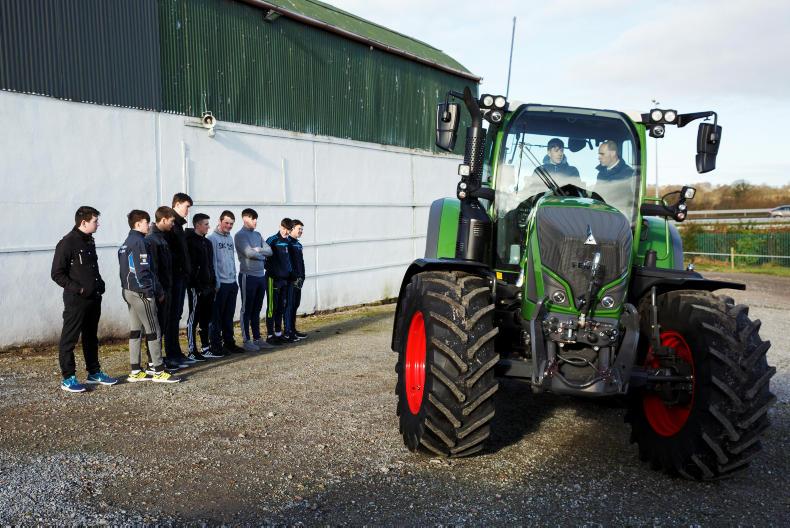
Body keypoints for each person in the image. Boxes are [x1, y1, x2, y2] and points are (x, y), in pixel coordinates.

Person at [51, 206, 117, 392]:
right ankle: (68, 377)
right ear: (83, 222)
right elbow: (57, 273)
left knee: (91, 337)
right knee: (69, 339)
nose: (98, 224)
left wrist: (100, 284)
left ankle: (94, 372)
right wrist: (78, 289)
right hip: (76, 300)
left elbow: (91, 269)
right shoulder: (67, 243)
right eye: (95, 221)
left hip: (93, 299)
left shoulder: (89, 241)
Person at [118, 210, 180, 383]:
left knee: (135, 331)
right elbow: (144, 270)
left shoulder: (126, 243)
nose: (149, 225)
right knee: (154, 330)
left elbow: (124, 271)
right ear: (138, 224)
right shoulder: (140, 242)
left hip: (128, 291)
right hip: (141, 293)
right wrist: (149, 291)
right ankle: (158, 370)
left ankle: (135, 370)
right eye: (147, 222)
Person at [145, 206, 189, 370]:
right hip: (160, 291)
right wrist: (160, 291)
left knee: (162, 325)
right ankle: (153, 362)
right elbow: (153, 269)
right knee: (156, 327)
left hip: (167, 288)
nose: (173, 224)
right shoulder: (152, 239)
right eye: (171, 221)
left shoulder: (162, 237)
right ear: (163, 219)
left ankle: (158, 360)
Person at [235, 208, 273, 352]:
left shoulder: (257, 235)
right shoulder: (240, 236)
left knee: (257, 309)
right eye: (253, 218)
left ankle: (257, 338)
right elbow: (248, 252)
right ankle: (247, 340)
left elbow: (270, 251)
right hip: (248, 276)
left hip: (260, 276)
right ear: (245, 219)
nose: (256, 221)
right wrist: (261, 254)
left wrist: (258, 250)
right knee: (247, 309)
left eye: (256, 218)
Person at [186, 213, 222, 359]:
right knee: (193, 319)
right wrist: (196, 284)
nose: (208, 227)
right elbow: (191, 266)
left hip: (209, 287)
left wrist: (213, 283)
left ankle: (205, 347)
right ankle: (191, 350)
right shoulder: (189, 242)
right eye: (206, 224)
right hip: (196, 287)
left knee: (205, 318)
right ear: (198, 225)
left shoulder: (207, 243)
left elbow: (210, 264)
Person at [163, 193, 193, 366]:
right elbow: (170, 253)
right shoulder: (170, 225)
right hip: (172, 278)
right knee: (171, 317)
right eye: (186, 206)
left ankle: (176, 352)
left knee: (176, 315)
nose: (188, 211)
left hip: (180, 277)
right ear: (177, 204)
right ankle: (171, 354)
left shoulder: (179, 226)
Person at [208, 210, 243, 354]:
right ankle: (216, 345)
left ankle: (229, 343)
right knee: (217, 317)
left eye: (231, 224)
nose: (229, 226)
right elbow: (213, 262)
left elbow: (231, 261)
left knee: (229, 316)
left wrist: (234, 280)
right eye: (226, 223)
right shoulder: (212, 239)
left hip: (231, 283)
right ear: (220, 221)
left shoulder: (230, 239)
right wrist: (216, 282)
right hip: (220, 284)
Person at [265, 218, 295, 345]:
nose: (286, 233)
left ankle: (278, 333)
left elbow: (289, 260)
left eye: (289, 230)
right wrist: (274, 273)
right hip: (273, 279)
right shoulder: (272, 240)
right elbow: (264, 259)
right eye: (285, 229)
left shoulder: (288, 241)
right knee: (272, 307)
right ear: (280, 227)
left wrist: (291, 274)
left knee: (281, 307)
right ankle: (270, 335)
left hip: (285, 280)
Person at [285, 219, 307, 341]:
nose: (301, 232)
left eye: (302, 230)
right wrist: (292, 276)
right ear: (292, 228)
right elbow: (288, 263)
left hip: (299, 279)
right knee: (289, 305)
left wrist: (302, 276)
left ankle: (293, 329)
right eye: (299, 229)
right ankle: (288, 331)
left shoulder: (298, 244)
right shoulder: (287, 243)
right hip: (291, 280)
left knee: (295, 305)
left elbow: (301, 262)